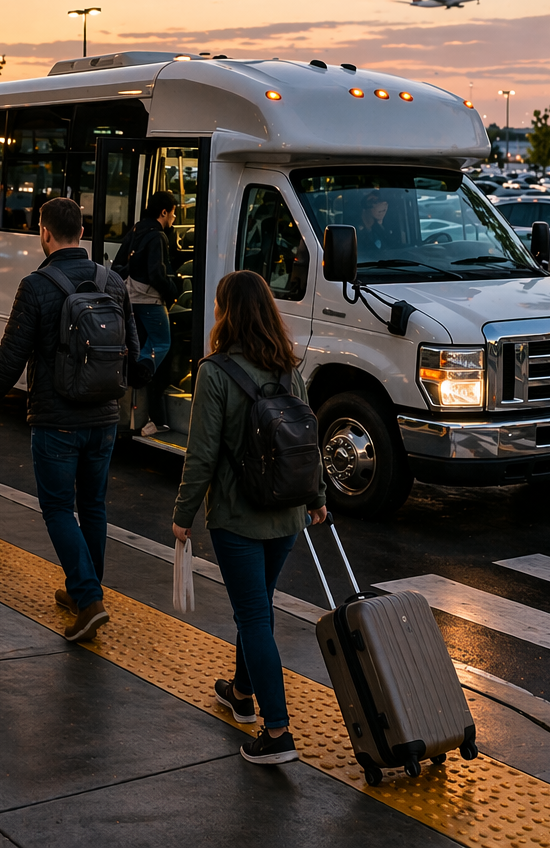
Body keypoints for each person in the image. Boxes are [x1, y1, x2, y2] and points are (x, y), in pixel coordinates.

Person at [0, 197, 140, 642]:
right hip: (104, 419)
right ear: (81, 232)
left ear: (44, 233)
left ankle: (88, 597)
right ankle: (87, 589)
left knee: (59, 508)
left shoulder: (37, 285)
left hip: (56, 420)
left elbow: (11, 356)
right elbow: (133, 354)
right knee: (94, 507)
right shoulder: (114, 282)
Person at [172, 269, 326, 767]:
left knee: (254, 616)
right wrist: (317, 497)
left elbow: (201, 454)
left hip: (238, 519)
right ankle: (241, 692)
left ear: (225, 312)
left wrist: (183, 514)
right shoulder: (289, 369)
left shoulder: (215, 372)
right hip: (286, 516)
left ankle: (277, 731)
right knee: (257, 604)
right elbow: (307, 443)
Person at [114, 191, 180, 436]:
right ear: (164, 212)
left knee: (139, 340)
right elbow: (157, 274)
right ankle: (140, 371)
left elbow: (118, 265)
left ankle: (137, 369)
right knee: (162, 341)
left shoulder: (137, 229)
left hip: (131, 298)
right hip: (150, 300)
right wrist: (173, 291)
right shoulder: (158, 236)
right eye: (173, 212)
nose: (174, 217)